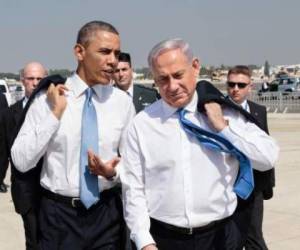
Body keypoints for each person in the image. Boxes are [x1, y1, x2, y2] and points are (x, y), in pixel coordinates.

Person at [120, 38, 279, 250]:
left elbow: (266, 159)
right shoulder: (141, 125)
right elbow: (133, 189)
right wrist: (143, 241)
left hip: (221, 237)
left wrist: (224, 129)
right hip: (164, 239)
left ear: (195, 67)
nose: (172, 86)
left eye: (178, 75)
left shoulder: (226, 113)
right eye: (162, 79)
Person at [11, 20, 135, 250]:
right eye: (105, 52)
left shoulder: (122, 104)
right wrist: (54, 114)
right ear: (79, 52)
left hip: (106, 216)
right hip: (58, 219)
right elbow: (21, 160)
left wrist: (113, 172)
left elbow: (134, 164)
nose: (113, 61)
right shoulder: (47, 100)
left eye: (116, 53)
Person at [226, 65, 275, 250]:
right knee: (231, 238)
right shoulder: (218, 110)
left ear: (250, 86)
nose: (235, 89)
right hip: (228, 186)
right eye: (231, 84)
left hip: (254, 188)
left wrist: (268, 186)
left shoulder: (258, 111)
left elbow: (266, 149)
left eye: (240, 84)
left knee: (255, 237)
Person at [0, 62, 47, 249]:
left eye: (39, 79)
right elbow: (2, 152)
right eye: (30, 79)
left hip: (55, 192)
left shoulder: (58, 110)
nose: (35, 83)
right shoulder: (8, 115)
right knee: (33, 241)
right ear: (22, 81)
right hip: (26, 190)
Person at [0, 92, 9, 192]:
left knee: (2, 159)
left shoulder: (2, 96)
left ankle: (0, 180)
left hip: (1, 132)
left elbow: (6, 113)